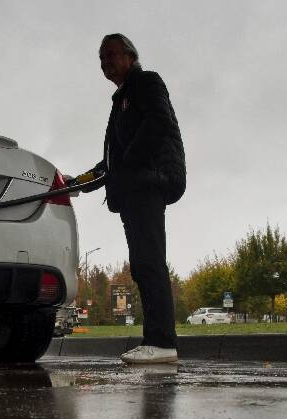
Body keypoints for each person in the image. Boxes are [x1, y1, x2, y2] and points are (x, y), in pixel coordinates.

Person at [74, 34, 186, 365]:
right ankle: (156, 342)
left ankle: (162, 342)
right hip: (133, 188)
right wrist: (76, 183)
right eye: (100, 58)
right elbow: (111, 162)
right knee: (142, 264)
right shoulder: (120, 99)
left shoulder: (145, 83)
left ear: (130, 55)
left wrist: (130, 164)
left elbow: (158, 123)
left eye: (110, 54)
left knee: (149, 262)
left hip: (148, 184)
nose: (104, 62)